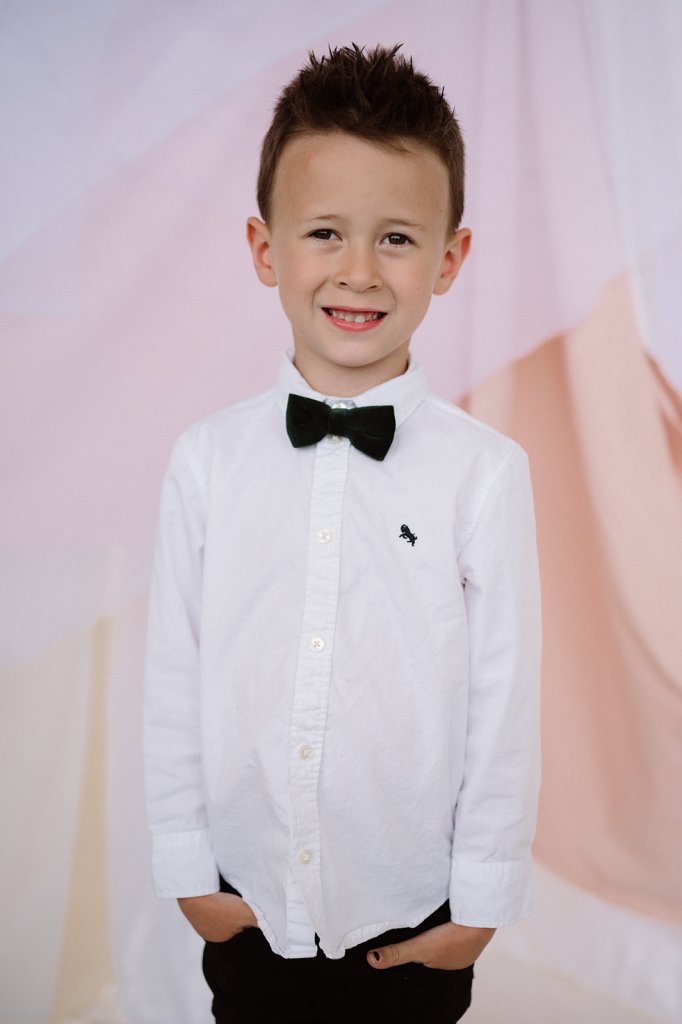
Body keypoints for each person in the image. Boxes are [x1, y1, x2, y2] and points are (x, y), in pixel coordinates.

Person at [144, 43, 541, 1024]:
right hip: (250, 902)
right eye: (324, 232)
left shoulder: (485, 473)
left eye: (396, 238)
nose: (358, 271)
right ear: (264, 248)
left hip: (412, 908)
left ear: (448, 258)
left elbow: (504, 697)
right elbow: (173, 673)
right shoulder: (206, 460)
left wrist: (481, 900)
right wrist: (187, 867)